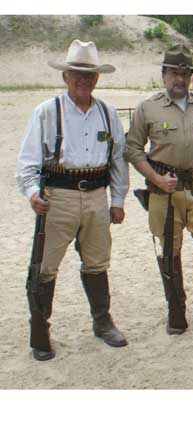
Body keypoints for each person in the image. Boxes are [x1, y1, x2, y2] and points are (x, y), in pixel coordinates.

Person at [16, 40, 129, 361]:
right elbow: (27, 162)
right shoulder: (46, 112)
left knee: (97, 262)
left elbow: (118, 159)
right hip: (58, 198)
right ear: (65, 76)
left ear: (97, 78)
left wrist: (117, 199)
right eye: (77, 74)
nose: (84, 80)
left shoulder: (107, 113)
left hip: (96, 196)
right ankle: (40, 329)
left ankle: (102, 321)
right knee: (45, 267)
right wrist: (33, 194)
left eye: (89, 74)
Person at [125, 44, 193, 334]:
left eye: (185, 73)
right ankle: (176, 310)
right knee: (169, 250)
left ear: (191, 76)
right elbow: (134, 150)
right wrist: (155, 178)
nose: (180, 79)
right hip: (164, 190)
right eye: (174, 72)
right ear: (164, 74)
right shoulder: (147, 108)